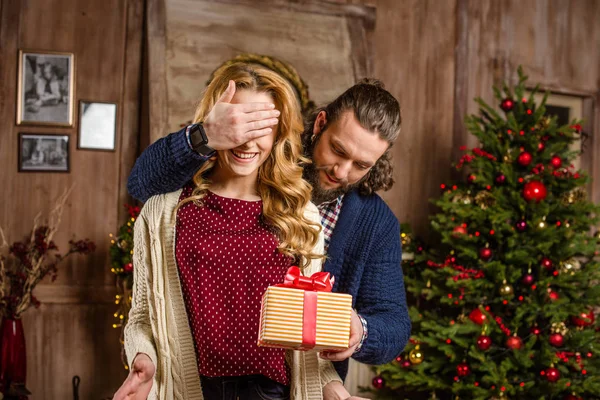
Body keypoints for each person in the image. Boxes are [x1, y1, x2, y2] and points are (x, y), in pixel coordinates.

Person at [127, 74, 411, 387]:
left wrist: (362, 330)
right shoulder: (254, 159)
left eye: (362, 165)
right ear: (319, 125)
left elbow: (394, 323)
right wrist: (203, 135)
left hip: (300, 386)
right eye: (338, 150)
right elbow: (143, 184)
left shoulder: (375, 223)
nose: (342, 172)